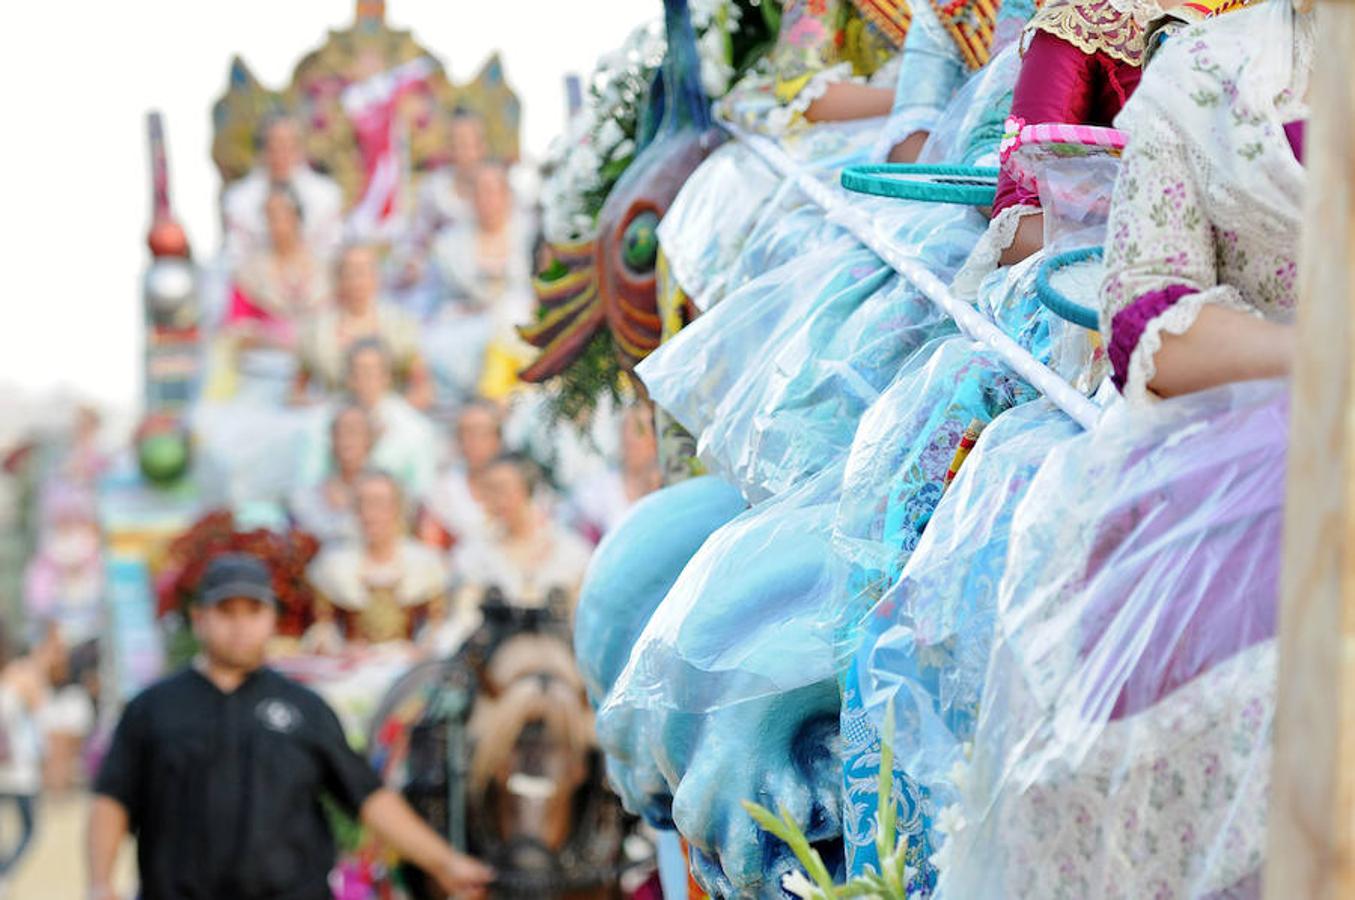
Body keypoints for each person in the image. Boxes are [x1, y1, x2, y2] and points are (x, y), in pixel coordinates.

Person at [87, 553, 492, 900]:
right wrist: (100, 883)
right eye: (226, 611)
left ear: (272, 619)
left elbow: (368, 798)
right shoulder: (153, 709)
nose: (240, 625)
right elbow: (113, 800)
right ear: (198, 618)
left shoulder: (305, 709)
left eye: (253, 611)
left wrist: (445, 862)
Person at [307, 473, 451, 650]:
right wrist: (339, 650)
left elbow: (436, 627)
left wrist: (419, 651)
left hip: (409, 666)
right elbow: (323, 629)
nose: (369, 514)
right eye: (362, 503)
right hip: (351, 666)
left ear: (398, 507)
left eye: (378, 503)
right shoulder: (333, 564)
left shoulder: (426, 563)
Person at [451, 454, 592, 614]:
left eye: (501, 489)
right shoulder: (474, 553)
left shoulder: (571, 551)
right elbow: (464, 617)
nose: (494, 500)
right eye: (489, 490)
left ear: (527, 489)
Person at [298, 339, 438, 500]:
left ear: (387, 377)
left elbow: (422, 492)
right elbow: (307, 484)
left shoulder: (415, 428)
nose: (365, 379)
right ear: (348, 378)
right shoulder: (319, 423)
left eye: (372, 371)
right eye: (358, 371)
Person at [293, 243, 431, 407]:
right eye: (349, 272)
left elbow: (422, 387)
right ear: (338, 278)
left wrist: (396, 413)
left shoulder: (399, 324)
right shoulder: (317, 331)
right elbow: (297, 389)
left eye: (363, 272)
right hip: (337, 415)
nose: (357, 280)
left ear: (376, 277)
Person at [222, 116, 344, 265]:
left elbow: (332, 251)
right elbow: (236, 254)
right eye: (273, 146)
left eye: (289, 146)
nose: (281, 155)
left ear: (301, 150)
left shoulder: (328, 194)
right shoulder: (237, 199)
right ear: (262, 150)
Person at [226, 185, 331, 350]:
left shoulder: (325, 267)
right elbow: (238, 324)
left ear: (297, 217)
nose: (278, 224)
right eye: (271, 217)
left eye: (284, 215)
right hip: (268, 359)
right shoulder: (250, 271)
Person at [0, 625, 65, 886]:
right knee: (29, 830)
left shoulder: (18, 676)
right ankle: (3, 873)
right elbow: (42, 727)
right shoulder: (25, 677)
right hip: (19, 769)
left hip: (13, 767)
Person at [568, 403, 662, 543]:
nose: (630, 441)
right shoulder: (601, 488)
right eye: (625, 431)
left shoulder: (669, 483)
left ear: (656, 441)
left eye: (639, 433)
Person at [420, 399, 504, 549]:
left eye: (482, 433)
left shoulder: (516, 487)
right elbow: (431, 544)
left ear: (498, 439)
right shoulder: (441, 491)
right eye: (467, 433)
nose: (474, 442)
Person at [287, 404, 374, 546]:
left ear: (369, 439)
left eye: (354, 432)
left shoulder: (387, 493)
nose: (347, 439)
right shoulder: (308, 495)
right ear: (332, 440)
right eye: (340, 432)